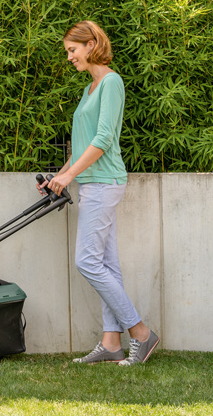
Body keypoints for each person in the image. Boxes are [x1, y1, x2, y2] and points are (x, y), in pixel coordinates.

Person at [38, 20, 159, 366]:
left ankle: (140, 333)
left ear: (91, 45)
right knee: (106, 264)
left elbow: (104, 140)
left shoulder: (111, 82)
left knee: (87, 262)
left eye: (72, 50)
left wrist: (71, 176)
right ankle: (111, 343)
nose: (69, 57)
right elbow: (81, 147)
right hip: (91, 182)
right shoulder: (90, 88)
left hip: (105, 183)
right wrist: (58, 178)